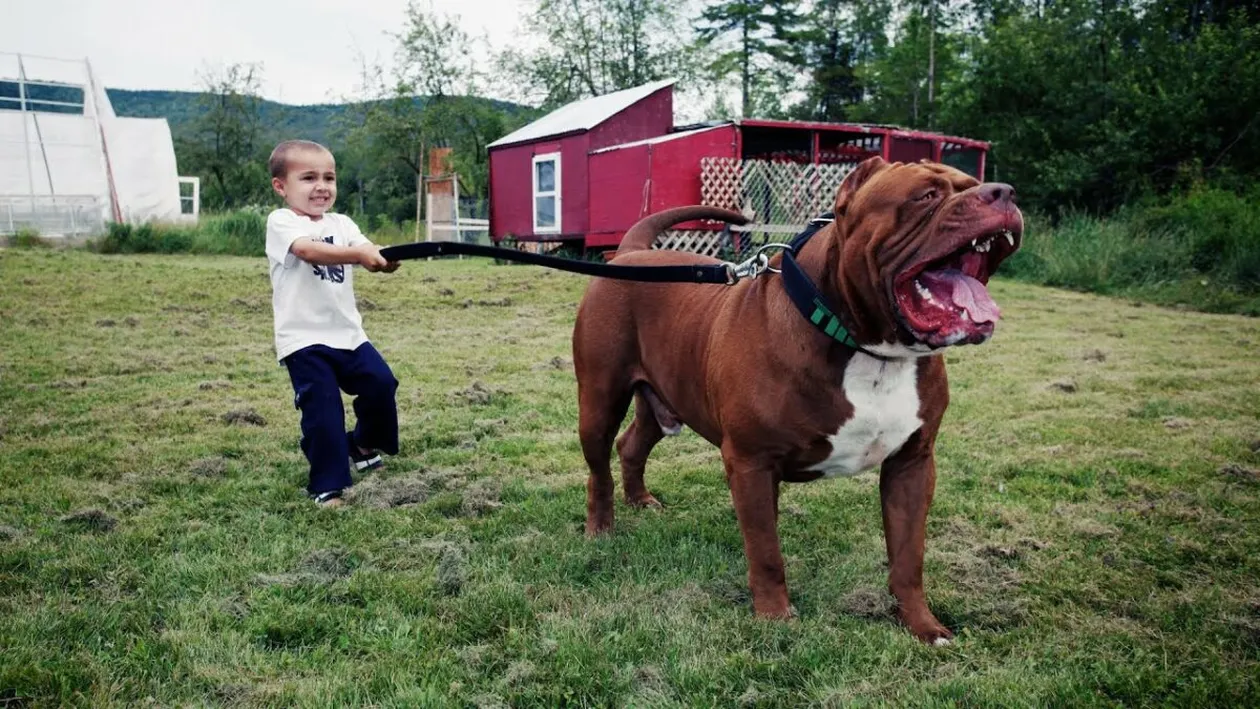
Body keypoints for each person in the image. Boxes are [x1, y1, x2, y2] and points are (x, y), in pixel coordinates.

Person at [264, 139, 402, 507]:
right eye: (308, 178)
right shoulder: (282, 222)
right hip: (304, 340)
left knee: (381, 383)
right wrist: (358, 255)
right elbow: (308, 251)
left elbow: (367, 249)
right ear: (281, 186)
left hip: (348, 335)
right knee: (323, 410)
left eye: (329, 177)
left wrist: (385, 259)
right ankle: (327, 485)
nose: (322, 186)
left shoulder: (342, 223)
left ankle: (361, 443)